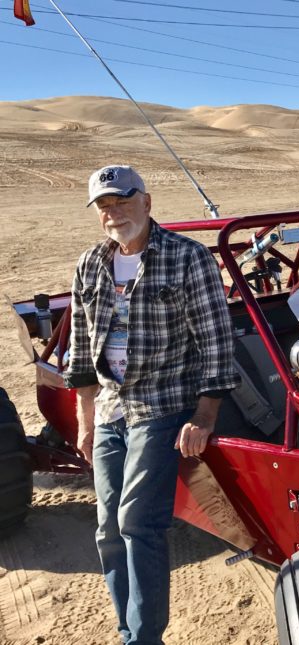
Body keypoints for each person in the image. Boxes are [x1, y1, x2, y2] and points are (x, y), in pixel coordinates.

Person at [64, 165, 239, 645]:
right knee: (107, 528)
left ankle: (145, 638)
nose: (114, 213)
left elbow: (216, 344)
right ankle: (129, 631)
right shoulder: (90, 264)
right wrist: (85, 420)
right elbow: (80, 351)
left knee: (137, 522)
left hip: (161, 406)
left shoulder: (187, 258)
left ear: (147, 201)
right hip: (109, 411)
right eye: (104, 205)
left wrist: (203, 417)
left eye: (122, 201)